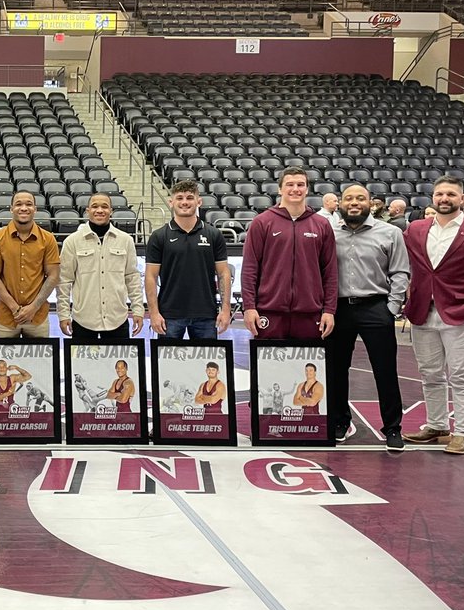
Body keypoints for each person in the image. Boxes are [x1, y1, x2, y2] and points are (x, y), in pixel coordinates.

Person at [402, 176, 464, 455]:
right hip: (423, 312)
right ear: (432, 198)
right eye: (439, 194)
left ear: (462, 199)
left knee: (461, 374)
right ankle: (436, 425)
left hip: (461, 313)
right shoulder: (415, 229)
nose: (444, 198)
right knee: (430, 373)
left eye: (450, 194)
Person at [327, 184, 411, 450]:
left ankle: (393, 427)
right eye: (349, 198)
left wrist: (392, 307)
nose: (354, 203)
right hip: (338, 308)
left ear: (370, 204)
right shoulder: (328, 233)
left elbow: (400, 272)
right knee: (336, 370)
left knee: (385, 370)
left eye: (360, 198)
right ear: (340, 203)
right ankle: (340, 421)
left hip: (376, 307)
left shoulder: (391, 233)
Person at [240, 166, 337, 340]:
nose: (295, 189)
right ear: (280, 189)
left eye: (300, 185)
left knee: (308, 367)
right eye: (290, 184)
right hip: (269, 312)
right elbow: (249, 268)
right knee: (268, 367)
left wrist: (329, 310)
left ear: (307, 189)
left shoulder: (321, 225)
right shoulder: (262, 222)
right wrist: (249, 306)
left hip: (310, 313)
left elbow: (330, 271)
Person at [144, 180, 232, 339]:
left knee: (207, 363)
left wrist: (226, 309)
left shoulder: (213, 234)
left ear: (199, 201)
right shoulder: (159, 236)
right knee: (167, 363)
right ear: (171, 202)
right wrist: (154, 312)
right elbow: (150, 276)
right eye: (179, 198)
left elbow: (223, 273)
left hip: (206, 313)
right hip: (169, 314)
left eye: (190, 198)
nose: (184, 202)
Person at [57, 194, 145, 339]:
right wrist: (63, 314)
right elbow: (64, 281)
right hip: (83, 321)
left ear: (111, 211)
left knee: (120, 362)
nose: (100, 210)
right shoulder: (72, 241)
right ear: (87, 210)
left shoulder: (126, 240)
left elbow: (132, 278)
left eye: (104, 207)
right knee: (81, 362)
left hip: (118, 320)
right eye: (95, 206)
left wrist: (138, 310)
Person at [0, 191, 60, 338]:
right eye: (19, 204)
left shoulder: (48, 239)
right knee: (2, 361)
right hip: (6, 317)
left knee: (41, 361)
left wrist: (34, 307)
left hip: (37, 317)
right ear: (11, 209)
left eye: (29, 204)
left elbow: (53, 275)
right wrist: (14, 308)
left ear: (35, 209)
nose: (24, 208)